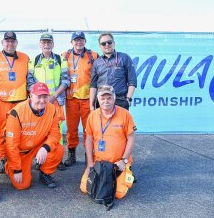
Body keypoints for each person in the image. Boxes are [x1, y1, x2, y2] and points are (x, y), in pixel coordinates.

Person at [0, 31, 29, 173]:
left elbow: (31, 78)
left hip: (21, 101)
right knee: (3, 131)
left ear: (16, 43)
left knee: (21, 131)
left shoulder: (25, 57)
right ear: (2, 43)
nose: (10, 44)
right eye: (7, 41)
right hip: (2, 101)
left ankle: (18, 156)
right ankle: (3, 158)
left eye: (12, 41)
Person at [80, 84, 137, 199]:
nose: (106, 101)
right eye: (102, 98)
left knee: (118, 193)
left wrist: (124, 160)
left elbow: (131, 138)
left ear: (114, 98)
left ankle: (127, 170)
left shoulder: (125, 114)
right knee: (85, 189)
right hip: (99, 162)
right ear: (98, 99)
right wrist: (90, 163)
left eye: (109, 98)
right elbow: (89, 139)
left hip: (118, 163)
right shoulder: (92, 116)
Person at [4, 82, 64, 189]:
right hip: (21, 152)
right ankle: (9, 166)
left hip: (38, 146)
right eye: (39, 96)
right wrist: (17, 169)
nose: (42, 100)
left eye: (45, 96)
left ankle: (45, 173)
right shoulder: (16, 112)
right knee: (22, 185)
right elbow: (11, 145)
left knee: (58, 149)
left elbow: (55, 134)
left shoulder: (52, 109)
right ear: (31, 95)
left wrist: (45, 148)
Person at [27, 33, 70, 170]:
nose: (46, 44)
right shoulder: (33, 61)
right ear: (40, 44)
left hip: (56, 100)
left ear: (53, 44)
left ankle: (58, 159)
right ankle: (40, 159)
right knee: (39, 130)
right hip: (39, 102)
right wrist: (41, 98)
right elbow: (29, 82)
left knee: (57, 130)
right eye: (43, 42)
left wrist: (54, 96)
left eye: (49, 42)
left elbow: (65, 80)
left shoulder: (60, 59)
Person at [61, 32, 98, 167]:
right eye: (76, 40)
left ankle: (89, 155)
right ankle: (71, 154)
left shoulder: (93, 55)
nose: (79, 42)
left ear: (85, 41)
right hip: (71, 99)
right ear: (72, 42)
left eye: (81, 40)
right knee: (71, 129)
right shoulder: (64, 55)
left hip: (88, 99)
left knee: (89, 129)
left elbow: (98, 75)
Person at [90, 32, 137, 111]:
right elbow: (93, 85)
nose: (107, 45)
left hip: (120, 101)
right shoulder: (97, 62)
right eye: (103, 43)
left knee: (120, 124)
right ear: (100, 46)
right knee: (103, 124)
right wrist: (91, 105)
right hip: (102, 101)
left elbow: (132, 81)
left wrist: (128, 99)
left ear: (114, 43)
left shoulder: (124, 58)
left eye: (109, 42)